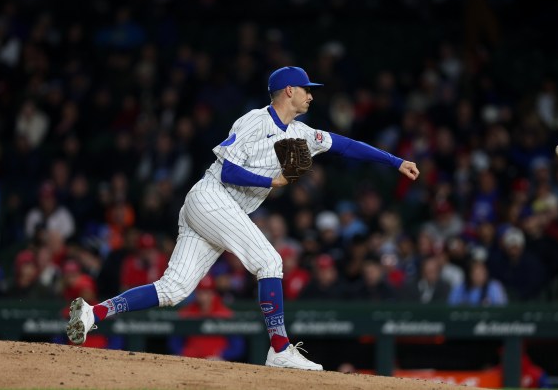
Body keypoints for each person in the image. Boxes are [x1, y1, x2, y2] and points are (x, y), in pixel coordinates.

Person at [66, 66, 420, 371]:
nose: (311, 97)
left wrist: (395, 162)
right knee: (270, 261)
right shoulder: (255, 120)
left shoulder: (300, 135)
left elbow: (346, 145)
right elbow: (230, 171)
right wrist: (272, 181)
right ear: (289, 91)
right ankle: (280, 348)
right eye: (307, 90)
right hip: (211, 196)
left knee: (173, 289)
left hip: (218, 209)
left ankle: (94, 313)